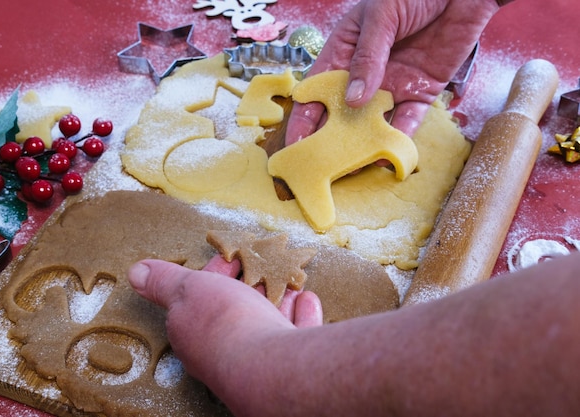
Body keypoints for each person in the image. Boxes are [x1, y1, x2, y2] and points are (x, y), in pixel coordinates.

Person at [128, 0, 580, 415]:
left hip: (308, 172)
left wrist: (257, 365)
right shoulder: (362, 110)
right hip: (300, 165)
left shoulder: (384, 132)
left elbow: (533, 349)